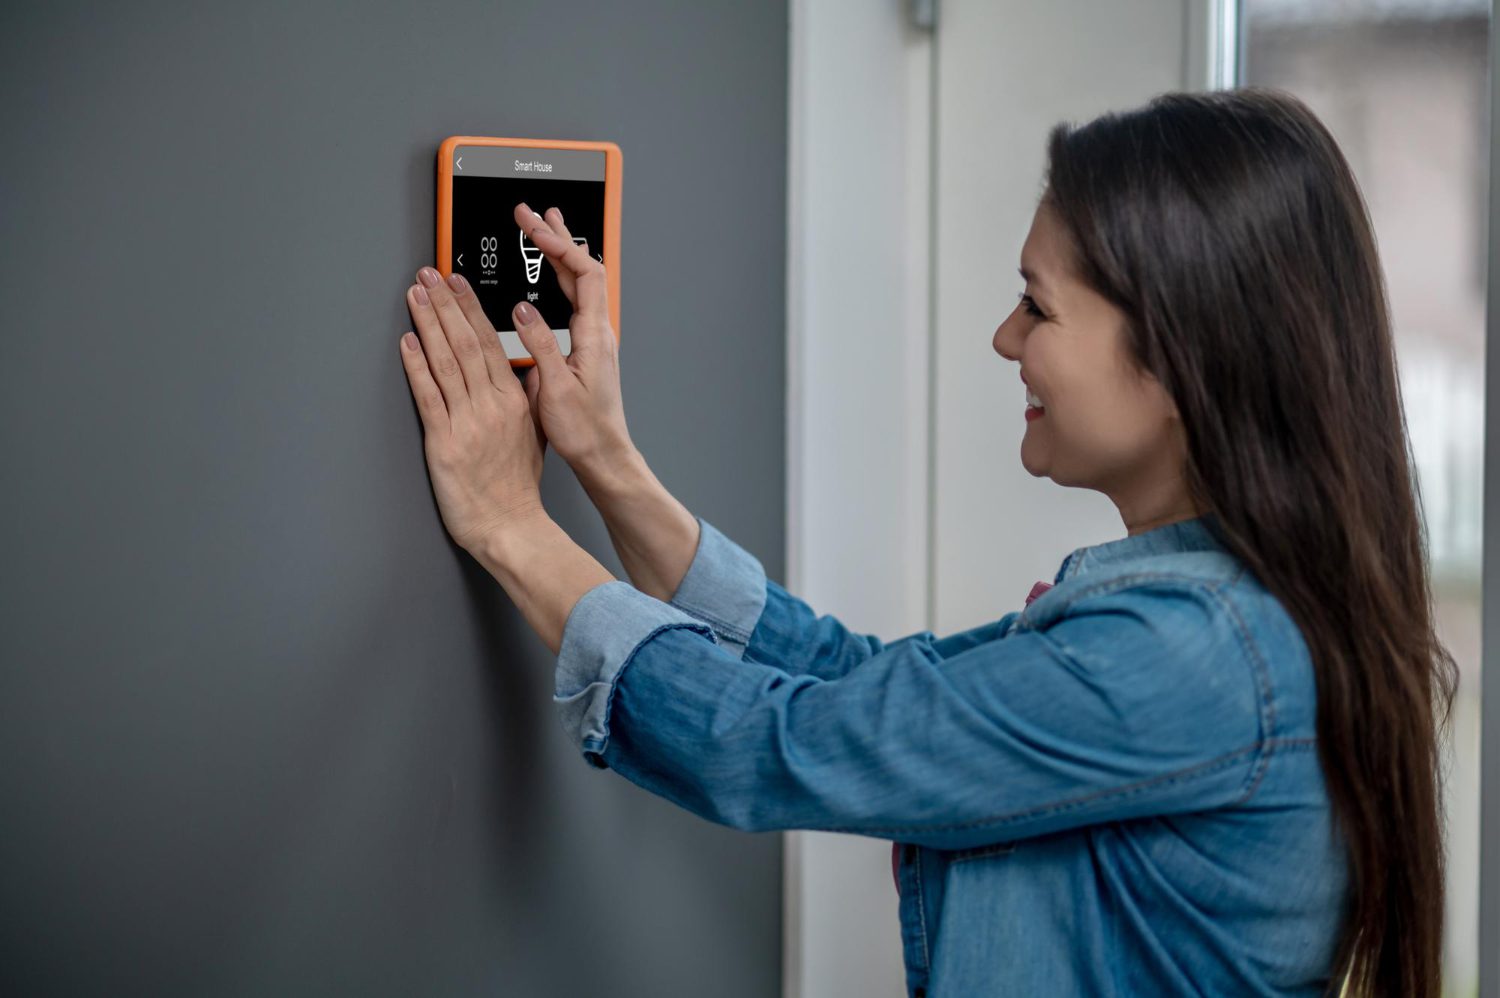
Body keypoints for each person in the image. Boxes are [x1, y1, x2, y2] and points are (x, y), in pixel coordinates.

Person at [395, 87, 1456, 997]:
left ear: (1181, 360)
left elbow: (786, 743)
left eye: (1036, 307)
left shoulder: (1194, 654)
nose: (1006, 338)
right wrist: (607, 464)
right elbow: (871, 692)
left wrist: (512, 528)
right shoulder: (1217, 616)